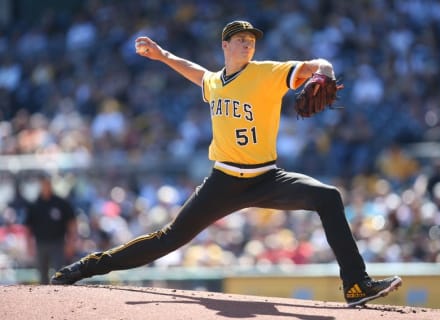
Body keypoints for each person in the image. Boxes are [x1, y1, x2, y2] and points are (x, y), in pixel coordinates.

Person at [51, 20, 402, 307]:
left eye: (251, 40)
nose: (248, 44)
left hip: (267, 178)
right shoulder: (216, 83)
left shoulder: (267, 73)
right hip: (222, 182)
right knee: (166, 239)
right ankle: (85, 267)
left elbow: (318, 64)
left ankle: (356, 284)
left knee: (329, 197)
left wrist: (323, 74)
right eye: (240, 39)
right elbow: (198, 74)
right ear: (225, 46)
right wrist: (164, 56)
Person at [25, 173, 77, 284]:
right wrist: (28, 244)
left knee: (59, 272)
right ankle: (44, 299)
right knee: (42, 273)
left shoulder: (61, 203)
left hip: (57, 243)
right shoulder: (34, 204)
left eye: (48, 183)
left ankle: (58, 296)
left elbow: (71, 223)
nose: (46, 186)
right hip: (40, 243)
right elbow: (28, 227)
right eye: (43, 184)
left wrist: (71, 242)